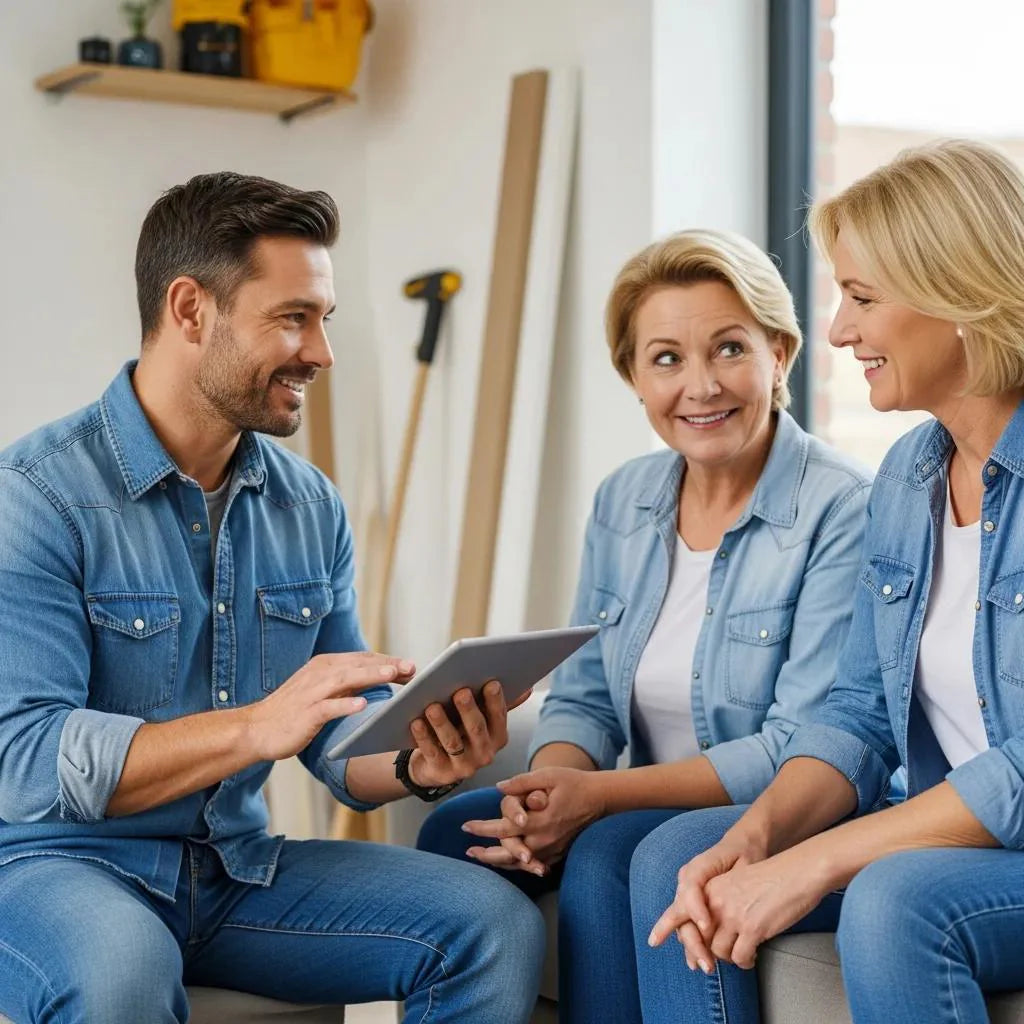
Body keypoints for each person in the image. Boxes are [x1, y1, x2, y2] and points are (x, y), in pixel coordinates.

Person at [0, 171, 545, 1024]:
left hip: (233, 871)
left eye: (322, 319)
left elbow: (333, 737)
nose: (321, 352)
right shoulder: (36, 498)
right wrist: (254, 725)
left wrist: (414, 759)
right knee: (122, 968)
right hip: (52, 868)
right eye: (293, 318)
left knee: (489, 924)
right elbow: (25, 759)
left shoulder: (308, 505)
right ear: (190, 310)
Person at [416, 229, 872, 1023]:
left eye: (729, 349)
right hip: (638, 799)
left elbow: (794, 748)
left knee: (604, 852)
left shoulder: (842, 507)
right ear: (632, 375)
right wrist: (544, 792)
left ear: (781, 354)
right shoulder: (624, 500)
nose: (700, 387)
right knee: (460, 828)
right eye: (665, 359)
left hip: (782, 809)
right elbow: (586, 696)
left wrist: (593, 798)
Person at [633, 138, 1024, 1024]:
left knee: (896, 902)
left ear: (958, 293)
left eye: (861, 297)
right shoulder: (909, 478)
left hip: (991, 852)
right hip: (951, 834)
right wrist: (759, 836)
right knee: (680, 860)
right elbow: (859, 714)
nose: (840, 331)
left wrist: (821, 860)